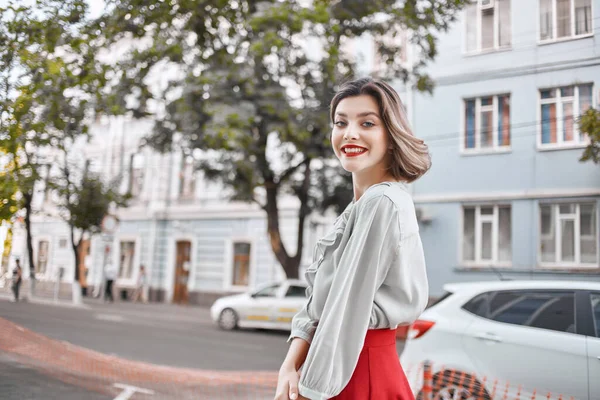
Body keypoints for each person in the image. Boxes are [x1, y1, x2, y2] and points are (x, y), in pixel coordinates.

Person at [275, 78, 431, 400]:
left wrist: (308, 391)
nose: (350, 133)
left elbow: (344, 313)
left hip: (356, 372)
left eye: (367, 123)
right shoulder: (359, 208)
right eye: (341, 123)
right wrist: (289, 365)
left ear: (390, 135)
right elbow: (320, 304)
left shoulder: (382, 203)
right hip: (347, 368)